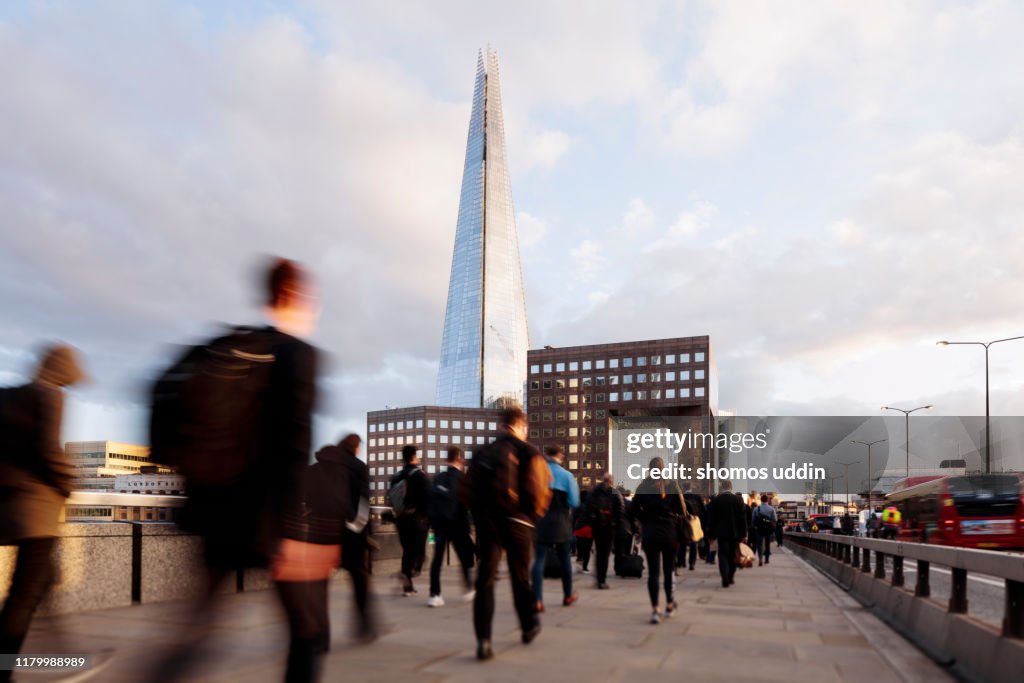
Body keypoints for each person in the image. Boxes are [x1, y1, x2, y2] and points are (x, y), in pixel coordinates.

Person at [151, 257, 320, 682]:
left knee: (196, 628)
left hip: (213, 508)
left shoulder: (220, 346)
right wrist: (292, 529)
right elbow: (294, 446)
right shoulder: (296, 355)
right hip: (264, 519)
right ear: (294, 296)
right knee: (308, 630)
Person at [0, 344, 87, 682]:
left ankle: (62, 655)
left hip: (9, 507)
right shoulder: (49, 395)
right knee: (24, 595)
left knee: (41, 584)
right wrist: (69, 483)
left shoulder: (9, 397)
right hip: (38, 512)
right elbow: (49, 450)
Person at [462, 406, 551, 661]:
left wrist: (480, 516)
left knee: (486, 580)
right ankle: (528, 626)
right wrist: (531, 516)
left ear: (502, 426)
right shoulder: (529, 451)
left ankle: (484, 641)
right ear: (520, 426)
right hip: (519, 523)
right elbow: (539, 491)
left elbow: (467, 491)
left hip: (488, 523)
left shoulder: (482, 453)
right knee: (520, 577)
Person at [631, 457, 685, 624]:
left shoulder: (642, 487)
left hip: (651, 532)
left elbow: (633, 509)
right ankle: (669, 604)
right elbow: (682, 509)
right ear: (663, 468)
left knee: (653, 573)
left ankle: (655, 609)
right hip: (669, 532)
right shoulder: (672, 485)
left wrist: (645, 519)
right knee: (668, 570)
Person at [334, 434, 376, 641]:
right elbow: (364, 501)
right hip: (351, 533)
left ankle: (317, 631)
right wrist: (357, 526)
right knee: (359, 578)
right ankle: (364, 624)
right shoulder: (359, 467)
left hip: (326, 531)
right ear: (356, 447)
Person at [532, 446, 580, 612]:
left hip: (541, 523)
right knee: (565, 560)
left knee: (538, 561)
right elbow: (574, 502)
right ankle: (567, 595)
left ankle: (537, 600)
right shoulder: (567, 476)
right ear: (560, 456)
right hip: (561, 524)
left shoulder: (537, 474)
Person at [427, 446, 475, 607]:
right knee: (465, 558)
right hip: (458, 525)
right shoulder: (463, 478)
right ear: (460, 459)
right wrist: (470, 528)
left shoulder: (438, 477)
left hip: (440, 525)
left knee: (437, 560)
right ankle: (468, 588)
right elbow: (467, 506)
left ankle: (435, 594)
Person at [390, 445, 429, 596]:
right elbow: (428, 497)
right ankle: (411, 572)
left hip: (401, 519)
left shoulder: (396, 476)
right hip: (417, 519)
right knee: (420, 554)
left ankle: (407, 587)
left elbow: (392, 498)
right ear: (413, 457)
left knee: (407, 551)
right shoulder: (419, 475)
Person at [706, 480, 747, 588]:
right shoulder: (738, 500)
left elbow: (711, 520)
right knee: (733, 555)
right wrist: (743, 534)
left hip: (721, 533)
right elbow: (742, 519)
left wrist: (710, 535)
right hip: (735, 534)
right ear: (731, 487)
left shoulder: (716, 501)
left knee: (722, 555)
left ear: (721, 487)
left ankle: (724, 577)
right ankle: (731, 577)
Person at [586, 472, 623, 589]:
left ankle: (598, 578)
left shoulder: (594, 491)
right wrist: (615, 523)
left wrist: (592, 521)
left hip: (597, 526)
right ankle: (602, 580)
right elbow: (621, 510)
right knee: (605, 554)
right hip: (609, 527)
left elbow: (588, 507)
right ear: (611, 481)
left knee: (599, 551)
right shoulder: (615, 493)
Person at [682, 484, 706, 571]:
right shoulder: (697, 497)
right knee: (693, 543)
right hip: (694, 522)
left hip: (683, 522)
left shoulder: (681, 496)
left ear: (684, 488)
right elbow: (703, 510)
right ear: (691, 488)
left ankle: (682, 562)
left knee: (682, 543)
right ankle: (692, 563)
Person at [751, 494, 777, 566]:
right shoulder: (771, 509)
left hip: (759, 528)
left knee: (759, 544)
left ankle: (760, 559)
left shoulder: (757, 508)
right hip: (768, 529)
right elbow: (775, 519)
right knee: (767, 543)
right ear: (767, 500)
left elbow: (753, 519)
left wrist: (754, 526)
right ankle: (767, 559)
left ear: (761, 500)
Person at [573, 490, 593, 574]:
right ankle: (585, 568)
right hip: (589, 529)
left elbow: (573, 518)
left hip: (579, 529)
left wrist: (572, 529)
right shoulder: (591, 506)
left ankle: (579, 560)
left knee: (580, 548)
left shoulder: (577, 506)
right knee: (587, 550)